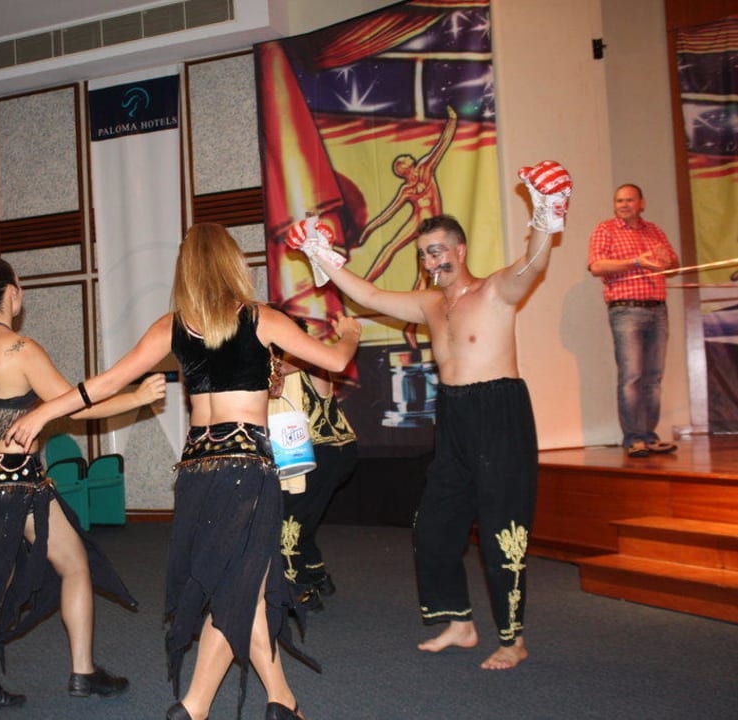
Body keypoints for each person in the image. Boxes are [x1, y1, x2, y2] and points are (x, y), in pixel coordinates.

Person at [5, 223, 362, 720]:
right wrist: (349, 334)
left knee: (244, 585)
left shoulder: (171, 327)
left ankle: (282, 701)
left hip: (195, 472)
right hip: (245, 468)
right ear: (234, 263)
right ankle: (193, 708)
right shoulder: (260, 318)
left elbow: (105, 383)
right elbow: (336, 361)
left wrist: (44, 412)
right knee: (240, 589)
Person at [286, 160, 572, 670]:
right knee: (433, 525)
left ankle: (513, 639)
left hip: (499, 411)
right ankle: (459, 623)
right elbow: (369, 295)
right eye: (423, 253)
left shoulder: (496, 290)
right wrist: (319, 253)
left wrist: (546, 214)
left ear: (460, 251)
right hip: (455, 414)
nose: (430, 260)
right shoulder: (429, 305)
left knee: (503, 531)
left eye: (437, 250)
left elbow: (533, 264)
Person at [0, 257, 166, 710]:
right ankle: (77, 672)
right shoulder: (21, 349)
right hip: (16, 481)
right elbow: (74, 405)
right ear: (11, 293)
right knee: (71, 565)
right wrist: (135, 397)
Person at [269, 321, 358, 614]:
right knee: (302, 517)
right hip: (331, 452)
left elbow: (289, 367)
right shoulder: (299, 360)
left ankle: (300, 591)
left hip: (317, 455)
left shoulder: (303, 360)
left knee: (287, 524)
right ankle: (318, 576)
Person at [588, 184, 680, 458]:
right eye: (619, 201)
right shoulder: (606, 229)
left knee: (653, 377)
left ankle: (649, 436)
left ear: (642, 203)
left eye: (629, 200)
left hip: (657, 309)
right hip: (625, 310)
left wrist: (667, 262)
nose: (623, 205)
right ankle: (634, 438)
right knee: (632, 376)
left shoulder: (654, 231)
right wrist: (636, 261)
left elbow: (673, 265)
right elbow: (597, 266)